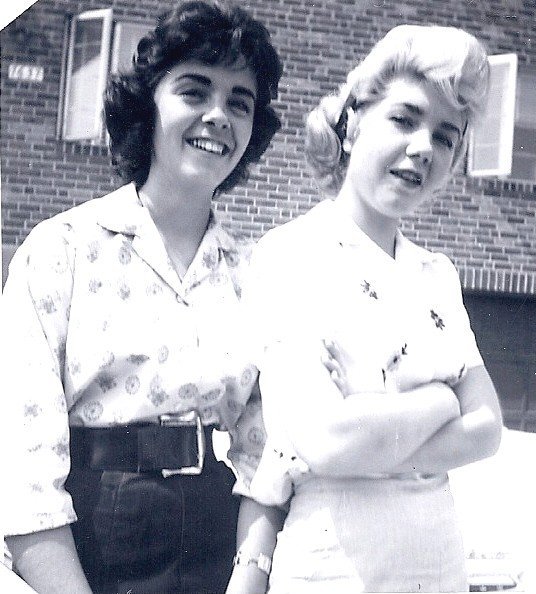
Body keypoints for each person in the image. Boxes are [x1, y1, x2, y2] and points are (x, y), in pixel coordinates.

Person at [2, 2, 282, 593]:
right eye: (194, 91)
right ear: (146, 106)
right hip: (92, 540)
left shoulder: (257, 277)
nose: (218, 116)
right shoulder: (62, 250)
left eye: (240, 102)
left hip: (216, 541)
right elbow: (22, 471)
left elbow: (268, 452)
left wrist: (249, 578)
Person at [231, 24, 503, 593]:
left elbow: (486, 429)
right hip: (333, 567)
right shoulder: (290, 256)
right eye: (404, 119)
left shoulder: (437, 275)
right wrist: (440, 400)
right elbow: (324, 441)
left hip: (438, 568)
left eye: (445, 136)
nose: (424, 147)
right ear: (353, 124)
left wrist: (368, 433)